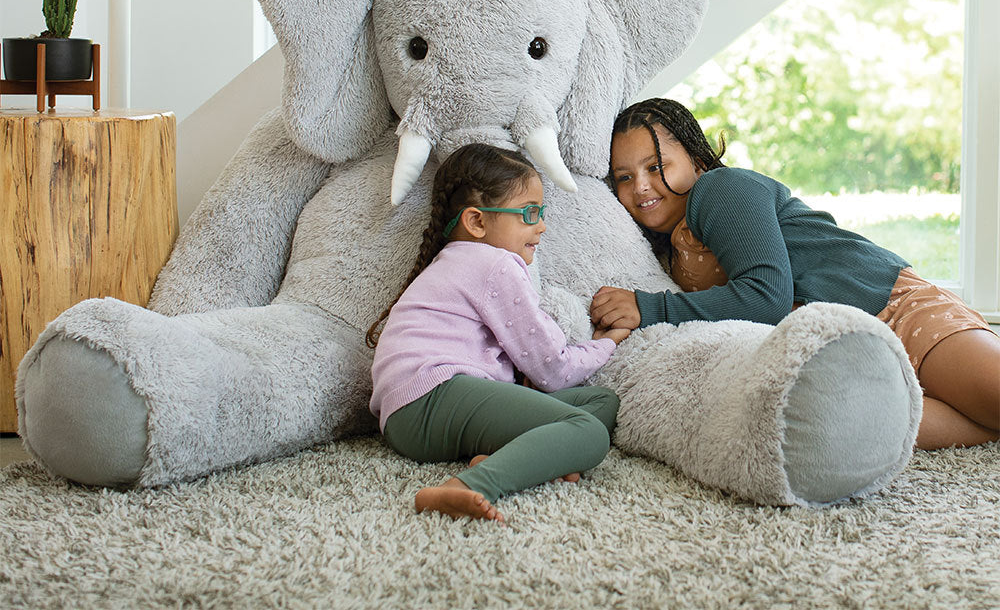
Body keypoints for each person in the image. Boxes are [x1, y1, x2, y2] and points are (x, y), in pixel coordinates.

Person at [590, 98, 1000, 451]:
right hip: (848, 350)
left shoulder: (720, 189)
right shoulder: (667, 247)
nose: (641, 186)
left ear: (697, 161)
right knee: (848, 425)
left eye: (657, 166)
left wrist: (648, 307)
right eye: (624, 177)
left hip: (894, 308)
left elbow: (766, 297)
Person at [368, 142, 628, 524]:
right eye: (529, 213)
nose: (541, 225)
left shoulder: (456, 259)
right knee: (588, 431)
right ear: (477, 222)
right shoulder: (495, 263)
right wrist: (609, 341)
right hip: (432, 395)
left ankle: (516, 458)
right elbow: (553, 370)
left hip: (408, 415)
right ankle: (469, 485)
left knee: (600, 401)